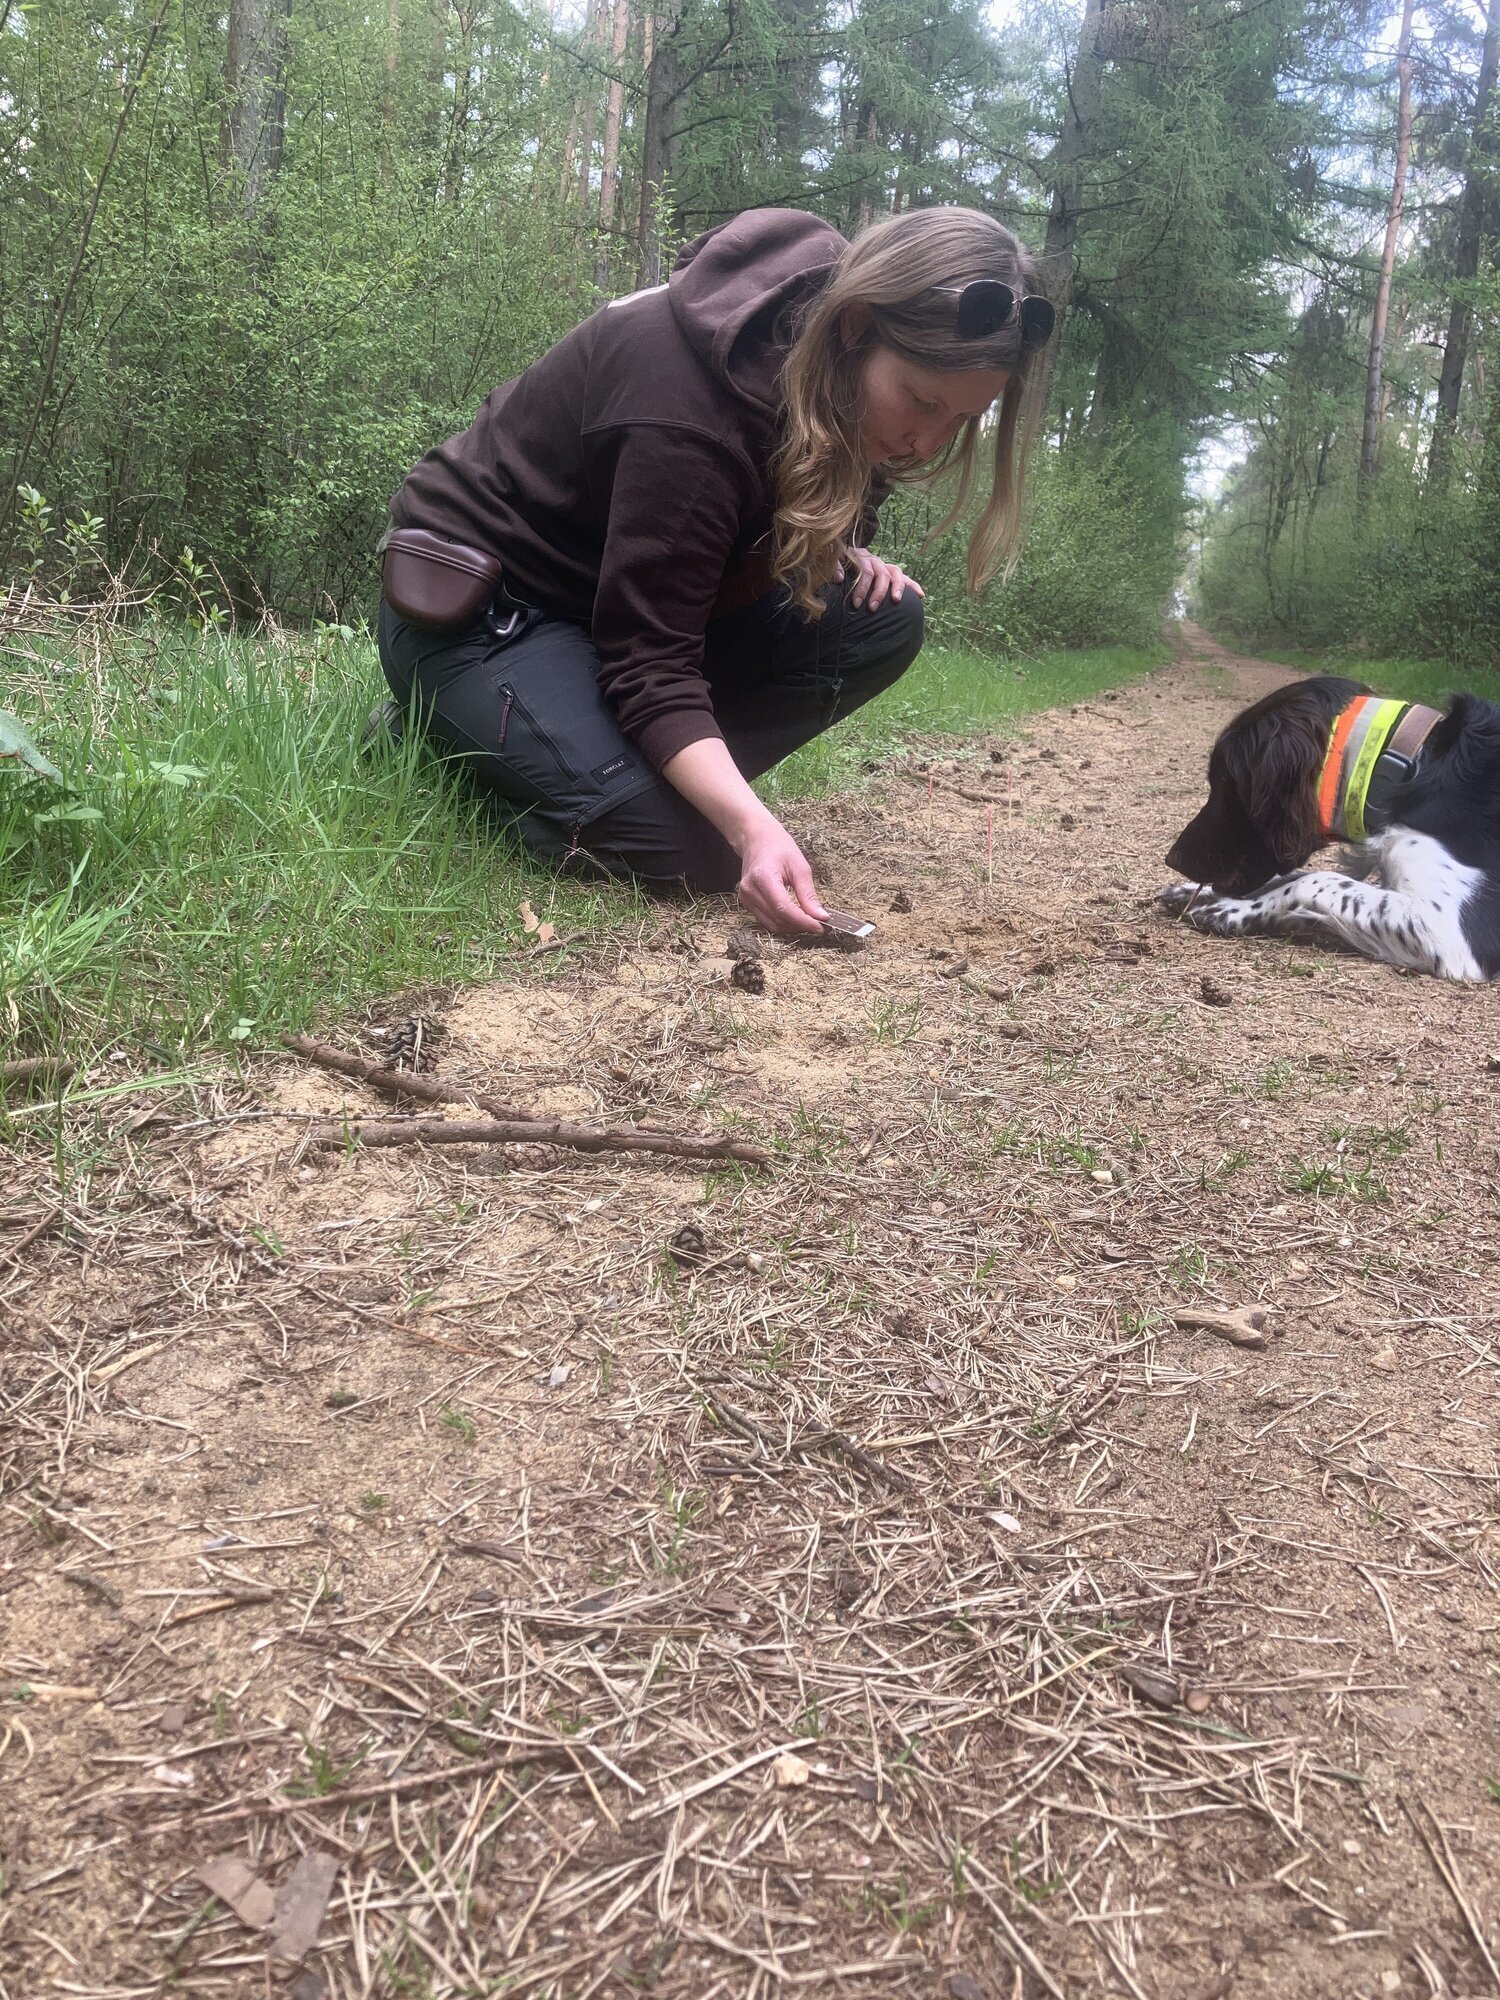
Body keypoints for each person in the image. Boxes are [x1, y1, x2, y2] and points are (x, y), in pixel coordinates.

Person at [376, 205, 1052, 936]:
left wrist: (831, 544)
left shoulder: (843, 387)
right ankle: (438, 740)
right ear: (855, 325)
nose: (927, 442)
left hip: (608, 622)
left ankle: (608, 772)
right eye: (921, 402)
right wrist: (748, 828)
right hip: (487, 617)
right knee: (686, 850)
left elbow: (732, 536)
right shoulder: (688, 409)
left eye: (961, 419)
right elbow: (650, 660)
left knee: (880, 619)